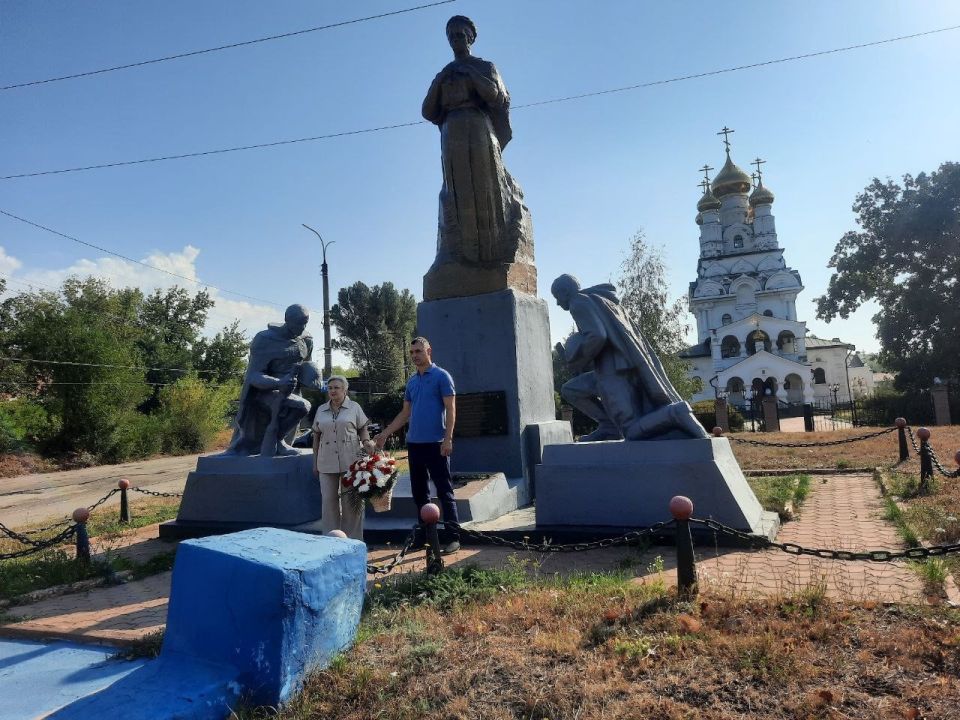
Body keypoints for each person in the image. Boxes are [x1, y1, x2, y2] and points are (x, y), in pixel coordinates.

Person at [422, 15, 528, 265]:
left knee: (484, 185)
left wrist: (469, 74)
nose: (455, 40)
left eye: (460, 35)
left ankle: (491, 254)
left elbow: (495, 95)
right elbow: (427, 111)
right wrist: (439, 82)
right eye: (451, 36)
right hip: (452, 129)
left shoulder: (484, 66)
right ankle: (463, 255)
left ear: (470, 38)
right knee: (457, 189)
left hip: (479, 125)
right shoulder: (444, 74)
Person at [551, 274, 709, 442]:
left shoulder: (578, 302)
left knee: (631, 431)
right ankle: (609, 426)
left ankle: (675, 412)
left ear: (565, 291)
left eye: (557, 297)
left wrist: (579, 359)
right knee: (571, 389)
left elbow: (597, 336)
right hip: (620, 367)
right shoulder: (600, 299)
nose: (558, 303)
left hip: (613, 372)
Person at [374, 337, 460, 553]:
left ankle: (453, 537)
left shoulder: (442, 376)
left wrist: (448, 438)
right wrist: (384, 433)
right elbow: (405, 413)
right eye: (412, 352)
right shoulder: (412, 381)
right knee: (419, 493)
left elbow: (451, 409)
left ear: (429, 351)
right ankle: (424, 535)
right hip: (415, 445)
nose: (414, 356)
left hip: (437, 444)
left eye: (418, 351)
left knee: (444, 491)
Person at [225, 303, 313, 456]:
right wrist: (278, 382)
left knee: (300, 406)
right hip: (265, 391)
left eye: (305, 322)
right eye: (299, 323)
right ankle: (276, 441)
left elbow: (306, 365)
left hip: (291, 391)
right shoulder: (265, 339)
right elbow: (253, 376)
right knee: (302, 406)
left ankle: (278, 441)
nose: (302, 327)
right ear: (287, 320)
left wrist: (312, 377)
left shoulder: (306, 340)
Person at [312, 375, 373, 540]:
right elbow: (316, 437)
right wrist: (315, 463)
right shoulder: (321, 410)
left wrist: (366, 441)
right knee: (328, 503)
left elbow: (363, 428)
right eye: (330, 388)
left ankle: (353, 542)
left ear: (345, 389)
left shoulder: (354, 408)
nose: (332, 391)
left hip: (351, 462)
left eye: (336, 387)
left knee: (352, 504)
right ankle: (331, 541)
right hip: (325, 463)